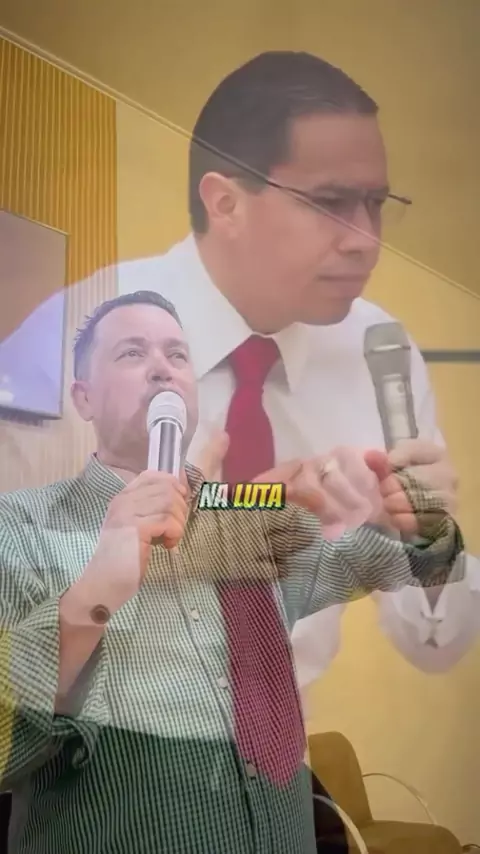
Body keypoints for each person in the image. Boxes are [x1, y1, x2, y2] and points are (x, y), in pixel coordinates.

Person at [0, 292, 462, 854]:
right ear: (84, 397)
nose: (162, 368)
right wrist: (94, 596)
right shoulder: (20, 525)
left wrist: (418, 525)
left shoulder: (246, 512)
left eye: (177, 354)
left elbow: (376, 561)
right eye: (131, 353)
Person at [116, 50, 476, 678]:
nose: (367, 241)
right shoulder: (95, 323)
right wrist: (231, 510)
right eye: (331, 202)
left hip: (285, 728)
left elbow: (437, 647)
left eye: (376, 203)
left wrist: (429, 540)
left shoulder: (381, 352)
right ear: (226, 204)